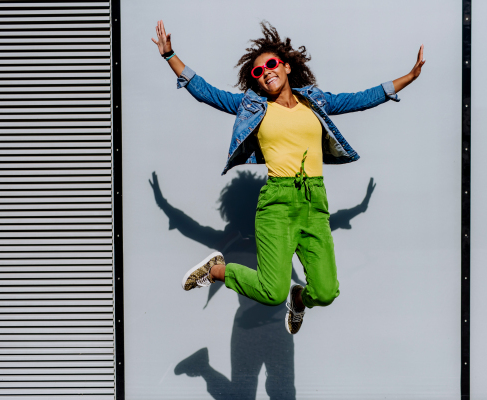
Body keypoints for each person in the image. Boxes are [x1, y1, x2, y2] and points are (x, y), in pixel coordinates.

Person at [151, 21, 425, 335]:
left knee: (325, 292)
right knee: (272, 292)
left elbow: (362, 98)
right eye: (257, 71)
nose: (265, 71)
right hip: (277, 205)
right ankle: (216, 271)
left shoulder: (315, 102)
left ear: (286, 66)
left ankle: (300, 298)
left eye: (270, 64)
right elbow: (206, 92)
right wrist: (170, 55)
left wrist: (410, 77)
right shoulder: (253, 106)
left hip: (314, 202)